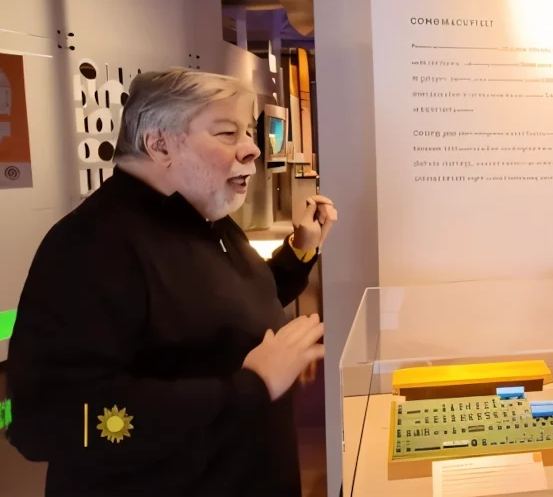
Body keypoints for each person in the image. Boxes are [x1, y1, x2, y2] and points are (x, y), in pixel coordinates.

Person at [6, 69, 338, 496]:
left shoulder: (203, 219)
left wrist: (299, 251)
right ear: (159, 143)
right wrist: (248, 388)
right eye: (226, 133)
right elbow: (52, 421)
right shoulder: (91, 246)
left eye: (249, 132)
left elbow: (220, 309)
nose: (253, 149)